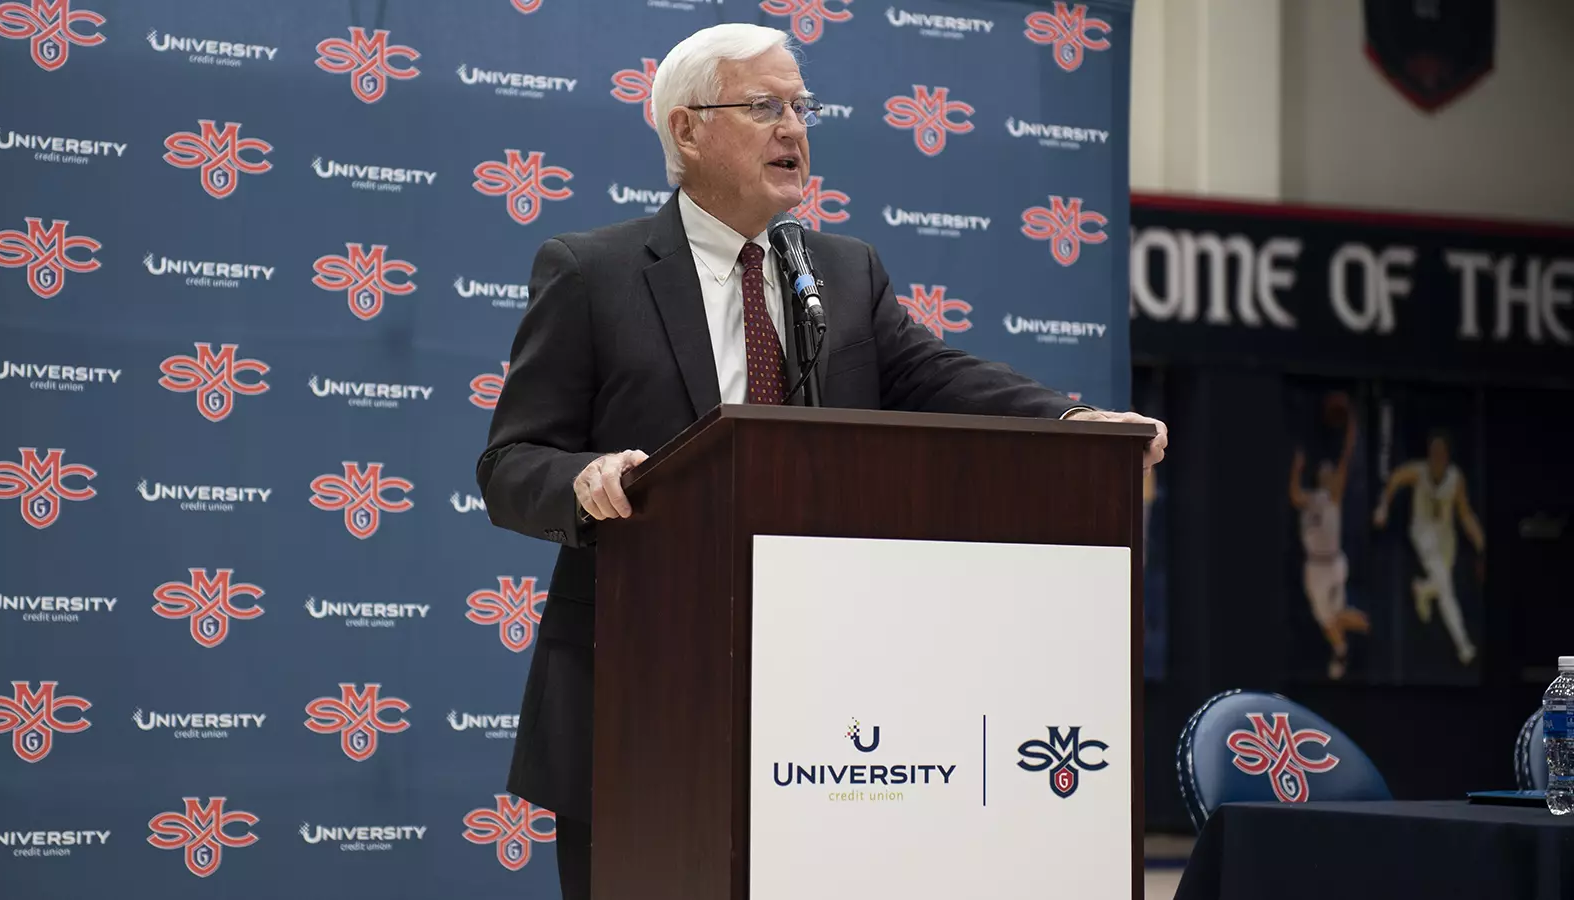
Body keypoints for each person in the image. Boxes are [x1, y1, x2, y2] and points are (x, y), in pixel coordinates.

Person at [473, 23, 1168, 899]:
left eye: (802, 107)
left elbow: (931, 373)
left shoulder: (841, 271)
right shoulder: (592, 273)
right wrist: (581, 480)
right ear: (686, 131)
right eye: (765, 106)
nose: (794, 128)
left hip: (826, 691)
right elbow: (510, 459)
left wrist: (1071, 417)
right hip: (637, 688)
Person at [1373, 429, 1485, 667]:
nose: (1437, 456)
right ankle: (1463, 645)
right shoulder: (1418, 471)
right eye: (1433, 451)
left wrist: (1480, 541)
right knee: (1446, 590)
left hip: (1446, 540)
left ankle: (1422, 590)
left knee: (1440, 582)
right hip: (1423, 535)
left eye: (1441, 451)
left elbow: (1465, 514)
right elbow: (1395, 479)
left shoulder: (1456, 478)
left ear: (1447, 455)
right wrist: (1383, 506)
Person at [1288, 394, 1369, 680]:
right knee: (1326, 618)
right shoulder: (1311, 498)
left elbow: (1346, 458)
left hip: (1330, 563)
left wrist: (1351, 426)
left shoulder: (1332, 496)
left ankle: (1369, 627)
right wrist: (1296, 469)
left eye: (1330, 470)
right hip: (1314, 565)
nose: (1327, 471)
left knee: (1330, 617)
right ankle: (1342, 649)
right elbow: (1294, 495)